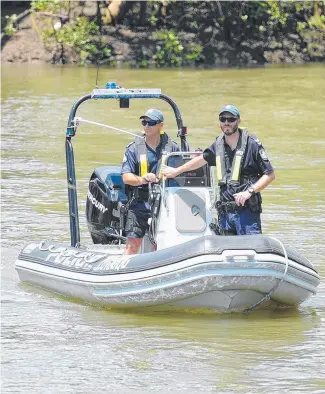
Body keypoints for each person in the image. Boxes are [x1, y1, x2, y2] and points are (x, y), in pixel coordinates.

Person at [163, 104, 275, 235]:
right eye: (223, 119)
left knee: (250, 251)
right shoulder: (218, 144)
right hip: (225, 215)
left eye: (231, 119)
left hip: (247, 213)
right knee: (227, 253)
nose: (227, 122)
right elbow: (201, 160)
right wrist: (176, 171)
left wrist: (249, 192)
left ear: (238, 121)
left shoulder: (252, 144)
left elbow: (270, 175)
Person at [121, 109, 179, 254]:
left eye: (151, 123)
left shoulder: (173, 148)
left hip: (165, 203)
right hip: (139, 202)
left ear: (161, 125)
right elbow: (126, 177)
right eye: (144, 122)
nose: (146, 126)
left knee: (166, 244)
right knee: (132, 245)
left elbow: (182, 174)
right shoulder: (133, 149)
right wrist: (142, 179)